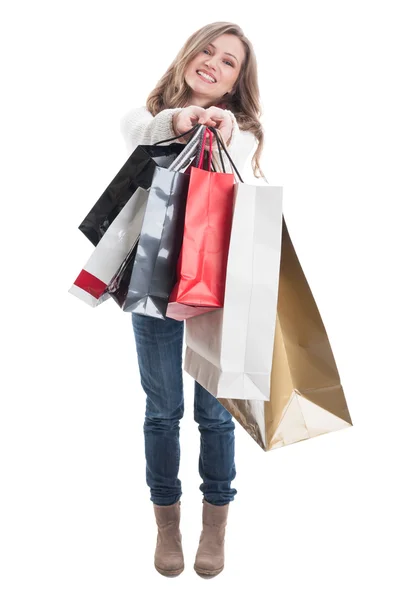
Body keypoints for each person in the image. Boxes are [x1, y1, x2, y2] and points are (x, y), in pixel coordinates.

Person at [120, 21, 267, 578]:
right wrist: (179, 122)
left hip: (217, 284)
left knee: (215, 413)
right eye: (206, 51)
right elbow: (136, 127)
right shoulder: (152, 117)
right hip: (153, 280)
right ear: (187, 57)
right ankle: (165, 525)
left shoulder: (242, 129)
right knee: (162, 409)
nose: (213, 63)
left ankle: (213, 527)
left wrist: (220, 126)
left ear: (234, 84)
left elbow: (243, 140)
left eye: (228, 61)